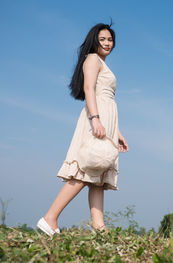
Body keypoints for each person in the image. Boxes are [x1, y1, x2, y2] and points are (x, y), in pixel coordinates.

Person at [36, 22, 128, 237]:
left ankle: (99, 228)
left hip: (106, 119)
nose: (107, 43)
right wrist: (95, 119)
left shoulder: (102, 63)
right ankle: (50, 217)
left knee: (99, 175)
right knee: (88, 167)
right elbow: (89, 90)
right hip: (96, 117)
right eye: (102, 39)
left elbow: (104, 98)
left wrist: (118, 133)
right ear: (93, 41)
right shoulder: (92, 59)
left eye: (110, 39)